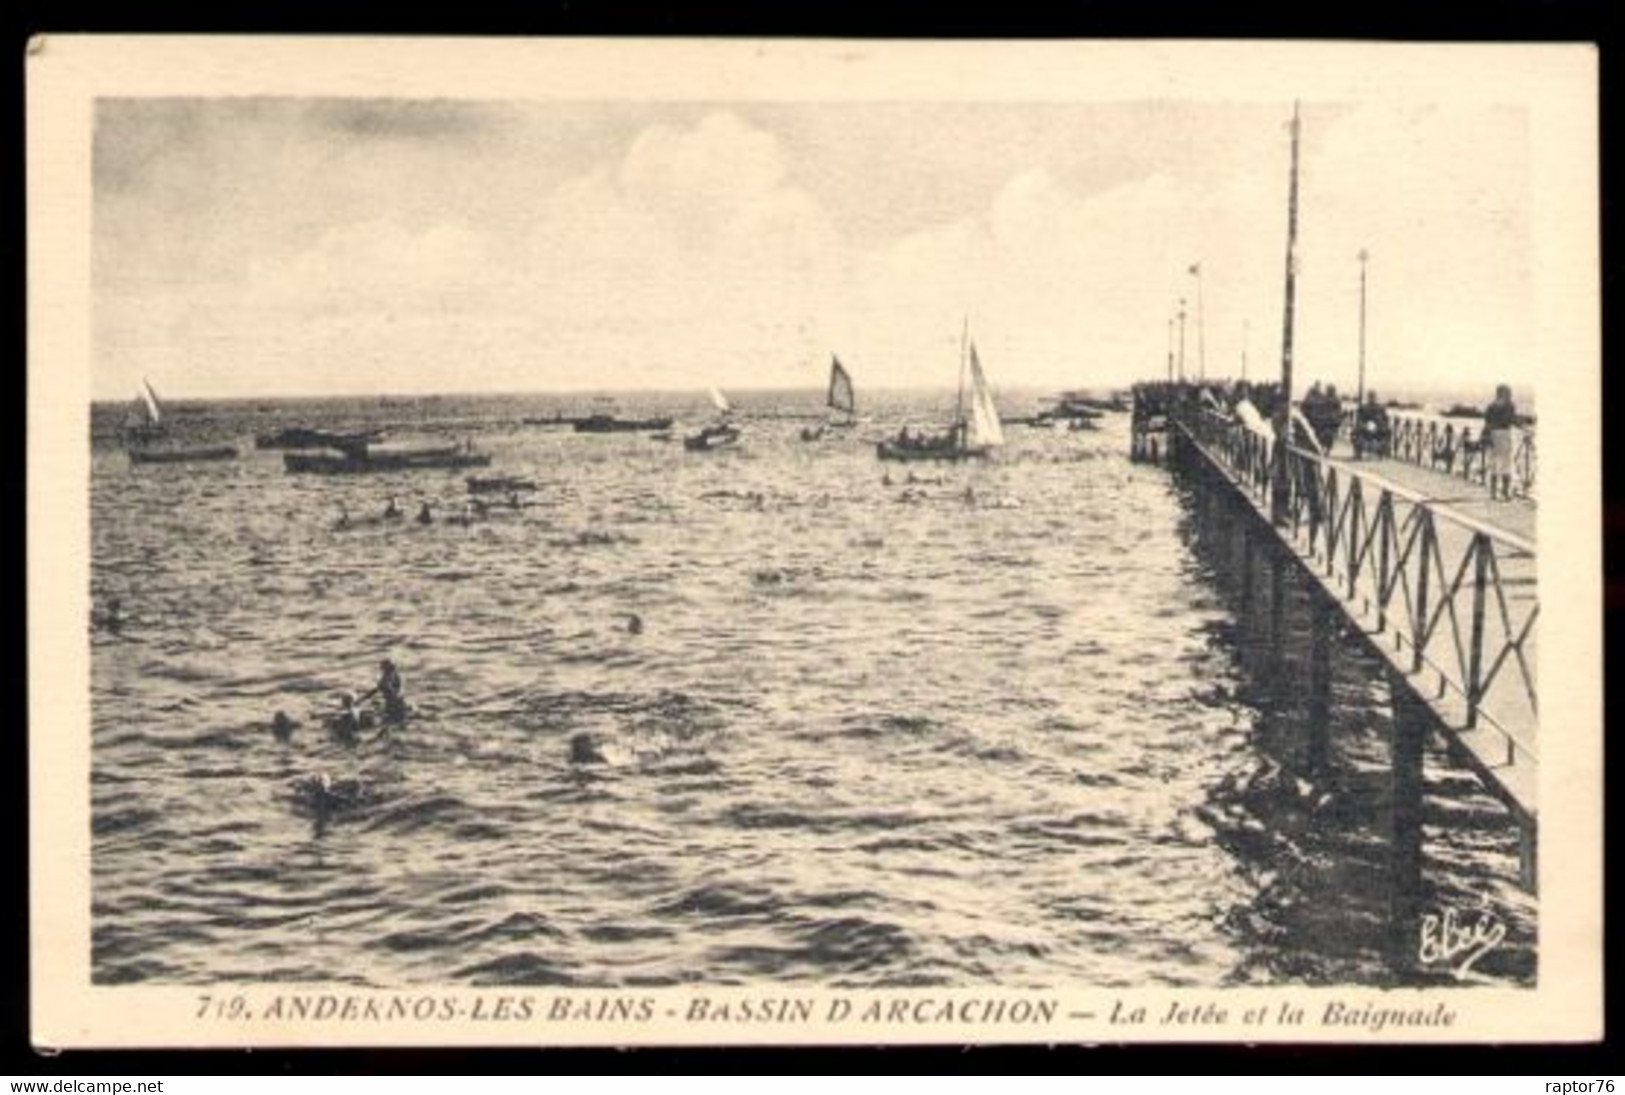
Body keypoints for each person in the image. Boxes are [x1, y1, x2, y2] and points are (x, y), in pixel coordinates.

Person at [1483, 384, 1518, 500]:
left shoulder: (1490, 407)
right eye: (1508, 393)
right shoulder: (1509, 406)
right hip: (1504, 435)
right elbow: (1512, 420)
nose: (1510, 395)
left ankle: (1493, 493)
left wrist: (1486, 435)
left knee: (1494, 465)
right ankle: (1505, 493)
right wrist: (1524, 427)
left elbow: (1487, 422)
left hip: (1493, 436)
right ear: (1505, 394)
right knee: (1506, 465)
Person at [362, 658, 408, 724]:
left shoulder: (394, 676)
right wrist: (363, 698)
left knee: (395, 721)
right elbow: (378, 689)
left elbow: (398, 690)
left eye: (383, 667)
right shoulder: (386, 676)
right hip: (391, 702)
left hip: (396, 702)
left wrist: (394, 695)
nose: (382, 669)